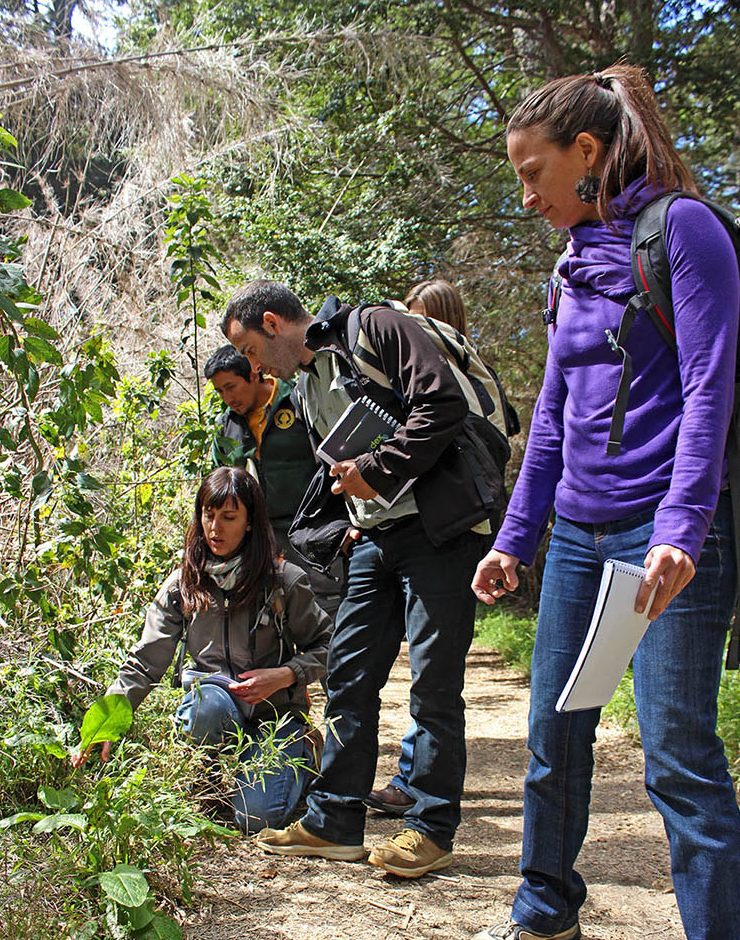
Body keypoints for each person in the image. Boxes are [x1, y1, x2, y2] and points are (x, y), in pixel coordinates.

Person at [470, 64, 740, 940]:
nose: (525, 195)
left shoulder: (684, 232)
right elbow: (550, 414)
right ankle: (544, 914)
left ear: (585, 151)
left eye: (532, 172)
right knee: (556, 736)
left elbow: (708, 387)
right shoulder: (570, 264)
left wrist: (681, 529)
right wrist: (517, 535)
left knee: (679, 763)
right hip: (580, 541)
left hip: (665, 543)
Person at [221, 280, 490, 877]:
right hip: (373, 538)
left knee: (434, 685)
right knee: (348, 676)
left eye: (254, 351)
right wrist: (347, 516)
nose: (255, 366)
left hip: (439, 532)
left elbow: (441, 403)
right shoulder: (307, 383)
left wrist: (374, 468)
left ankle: (431, 828)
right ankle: (335, 820)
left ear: (271, 322)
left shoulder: (376, 328)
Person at [72, 466, 333, 834]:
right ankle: (206, 777)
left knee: (256, 820)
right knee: (204, 707)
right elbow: (145, 661)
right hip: (214, 704)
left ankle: (304, 751)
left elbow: (327, 644)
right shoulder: (185, 583)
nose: (215, 528)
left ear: (250, 523)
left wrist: (285, 675)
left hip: (276, 714)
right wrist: (103, 723)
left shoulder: (284, 581)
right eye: (208, 515)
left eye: (229, 517)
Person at [365, 277, 470, 818]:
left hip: (446, 528)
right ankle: (412, 777)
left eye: (424, 318)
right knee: (420, 670)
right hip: (401, 526)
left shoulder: (456, 376)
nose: (415, 330)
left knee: (434, 676)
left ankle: (426, 794)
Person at [204, 344, 343, 618]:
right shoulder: (226, 427)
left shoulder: (298, 399)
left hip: (314, 529)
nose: (227, 398)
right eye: (220, 391)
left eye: (231, 387)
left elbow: (333, 458)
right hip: (262, 538)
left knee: (325, 609)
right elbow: (216, 484)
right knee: (274, 613)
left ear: (254, 374)